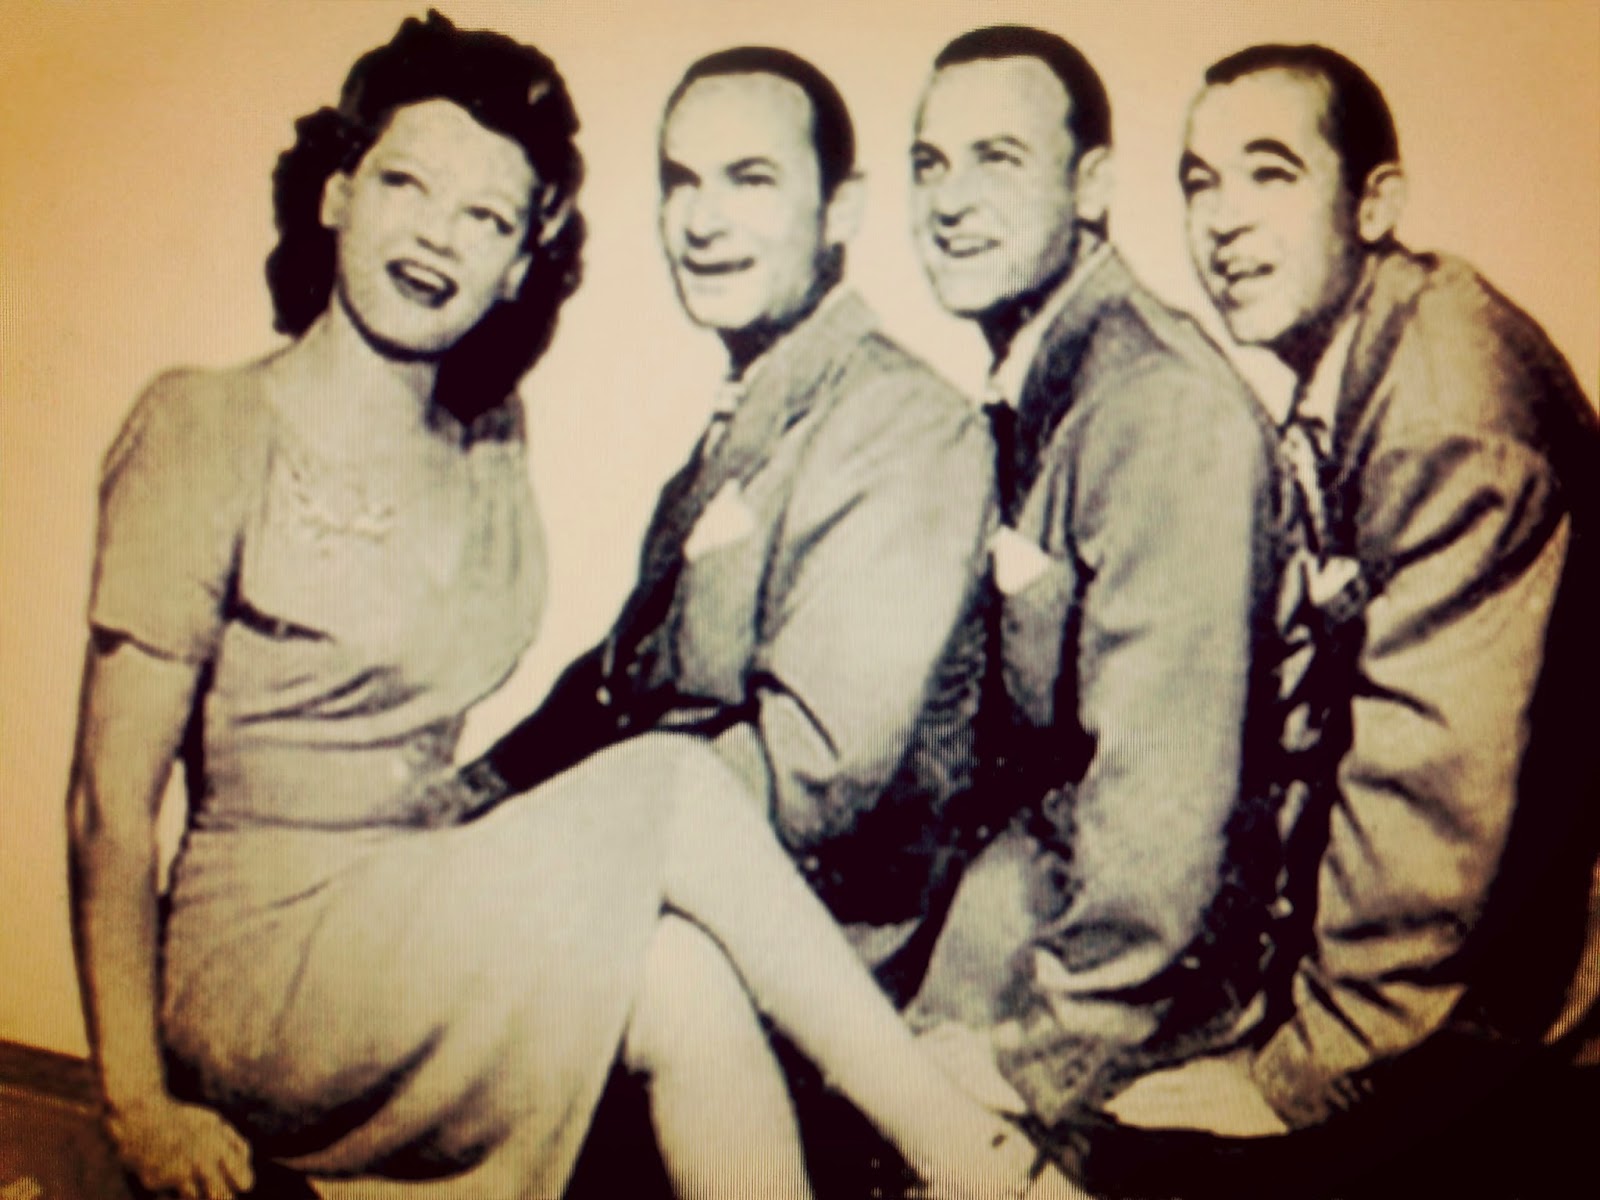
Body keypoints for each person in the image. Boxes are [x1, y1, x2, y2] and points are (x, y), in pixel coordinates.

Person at [65, 13, 1084, 1200]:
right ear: (337, 193)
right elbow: (107, 805)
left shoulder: (492, 446)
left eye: (488, 217)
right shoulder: (203, 425)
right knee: (674, 785)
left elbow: (599, 694)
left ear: (517, 265)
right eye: (406, 184)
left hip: (413, 915)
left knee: (680, 976)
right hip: (261, 961)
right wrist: (137, 1105)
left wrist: (507, 817)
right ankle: (961, 1152)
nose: (437, 235)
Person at [1099, 41, 1600, 1195]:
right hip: (1451, 993)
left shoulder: (1444, 412)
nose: (1223, 221)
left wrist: (1293, 1079)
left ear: (1375, 206)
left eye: (1269, 174)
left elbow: (1429, 798)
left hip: (1538, 1030)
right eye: (1198, 183)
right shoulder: (1364, 362)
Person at [449, 45, 993, 984]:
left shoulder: (902, 425)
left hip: (789, 959)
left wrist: (508, 856)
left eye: (750, 179)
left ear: (841, 211)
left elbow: (809, 781)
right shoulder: (755, 414)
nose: (702, 222)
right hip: (662, 887)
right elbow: (616, 684)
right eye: (681, 182)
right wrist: (465, 798)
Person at [899, 23, 1286, 1142]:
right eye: (931, 163)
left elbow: (1162, 812)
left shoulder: (1159, 408)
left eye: (997, 159)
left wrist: (1034, 1058)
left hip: (1129, 990)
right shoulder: (1044, 373)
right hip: (1026, 902)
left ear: (1093, 187)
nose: (950, 202)